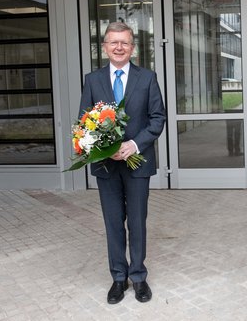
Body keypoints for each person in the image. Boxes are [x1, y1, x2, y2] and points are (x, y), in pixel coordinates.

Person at [78, 22, 166, 304]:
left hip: (138, 163)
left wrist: (133, 144)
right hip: (106, 166)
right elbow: (84, 121)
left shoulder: (148, 77)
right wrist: (106, 148)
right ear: (104, 47)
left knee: (137, 222)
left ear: (132, 47)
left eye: (124, 43)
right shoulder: (92, 80)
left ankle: (138, 276)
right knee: (113, 222)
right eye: (113, 42)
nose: (118, 47)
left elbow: (157, 118)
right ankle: (118, 277)